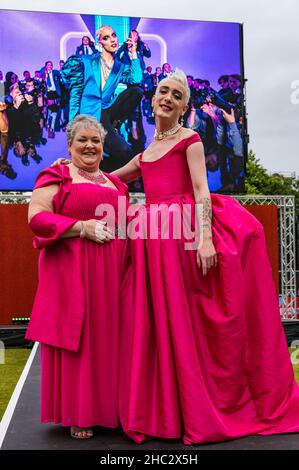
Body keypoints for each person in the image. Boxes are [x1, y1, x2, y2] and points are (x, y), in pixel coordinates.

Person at [54, 70, 299, 445]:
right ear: (152, 101)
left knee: (190, 323)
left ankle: (200, 406)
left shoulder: (191, 140)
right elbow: (107, 180)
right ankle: (162, 410)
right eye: (163, 91)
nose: (167, 97)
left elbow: (201, 191)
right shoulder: (145, 152)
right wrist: (69, 172)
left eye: (176, 94)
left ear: (184, 106)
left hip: (181, 235)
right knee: (154, 325)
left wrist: (204, 238)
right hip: (153, 240)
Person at [25, 114, 129, 440]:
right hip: (73, 273)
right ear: (69, 145)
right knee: (80, 341)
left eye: (95, 140)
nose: (89, 145)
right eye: (82, 140)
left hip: (113, 274)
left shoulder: (117, 184)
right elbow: (37, 218)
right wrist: (80, 227)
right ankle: (79, 412)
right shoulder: (57, 174)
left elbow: (126, 229)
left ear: (103, 147)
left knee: (112, 342)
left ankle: (113, 411)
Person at [61, 24, 143, 171]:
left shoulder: (119, 66)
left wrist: (134, 53)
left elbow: (136, 78)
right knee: (123, 151)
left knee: (136, 91)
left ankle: (116, 124)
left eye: (114, 35)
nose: (112, 40)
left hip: (106, 111)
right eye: (106, 37)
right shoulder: (85, 61)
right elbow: (75, 95)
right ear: (100, 42)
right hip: (89, 114)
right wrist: (72, 127)